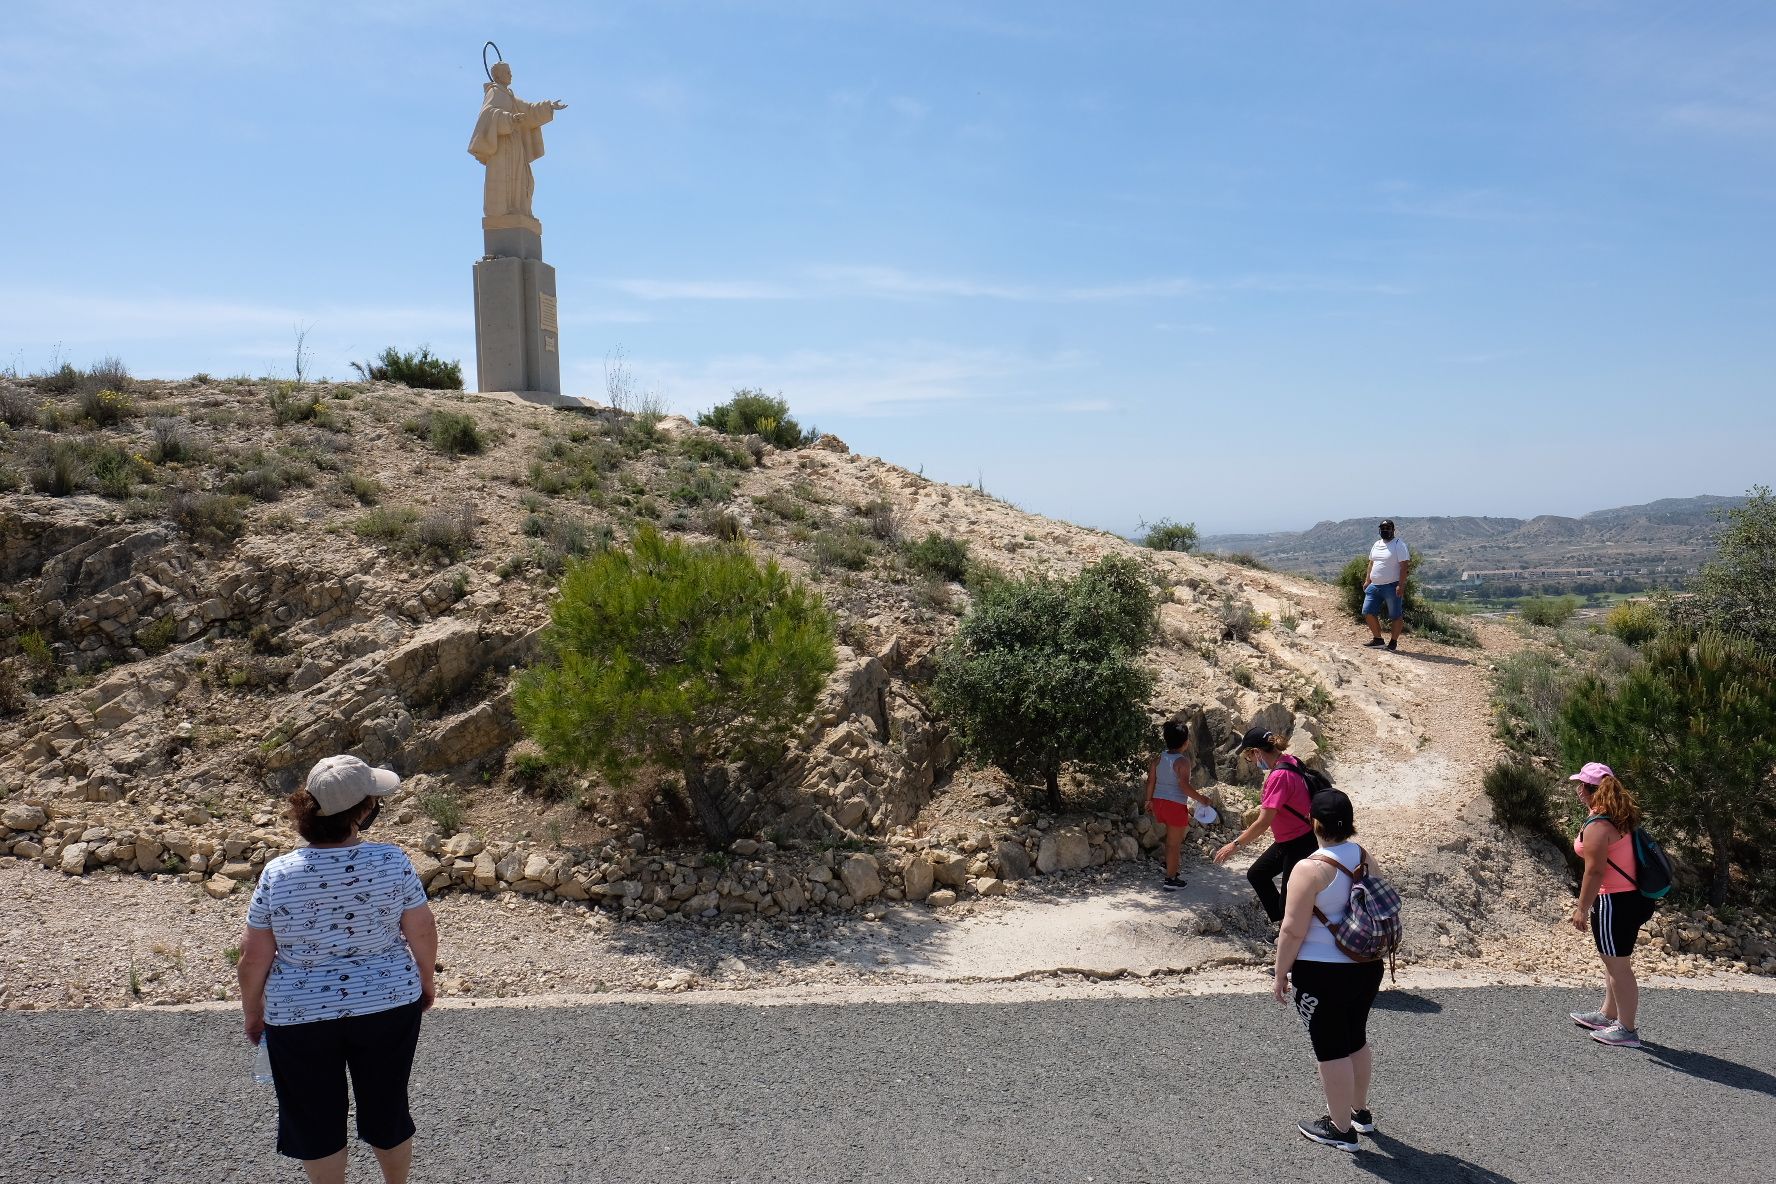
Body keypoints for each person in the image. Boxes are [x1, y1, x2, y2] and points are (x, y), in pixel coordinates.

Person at [238, 755, 439, 1184]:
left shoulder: (279, 873)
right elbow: (421, 929)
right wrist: (425, 979)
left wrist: (253, 1011)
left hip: (299, 1013)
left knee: (314, 1116)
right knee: (387, 1104)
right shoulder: (391, 861)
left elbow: (254, 956)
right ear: (363, 810)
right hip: (387, 1002)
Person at [1274, 789, 1385, 1152]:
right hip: (1366, 965)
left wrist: (1279, 974)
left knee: (1330, 1048)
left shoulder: (1309, 868)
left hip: (1321, 971)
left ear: (1314, 823)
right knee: (1356, 1038)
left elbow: (1292, 929)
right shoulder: (1363, 856)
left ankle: (1340, 1130)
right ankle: (1360, 1113)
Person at [1566, 761, 1655, 1049]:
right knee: (1613, 959)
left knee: (1618, 967)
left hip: (1614, 902)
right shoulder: (1620, 818)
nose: (1578, 790)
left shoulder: (1598, 825)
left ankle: (1627, 1029)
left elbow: (1594, 872)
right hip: (1634, 898)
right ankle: (1608, 1014)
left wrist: (1581, 908)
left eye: (1581, 785)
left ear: (1590, 790)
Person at [1213, 728, 1318, 923]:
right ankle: (1283, 926)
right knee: (1258, 874)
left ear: (1257, 752)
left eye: (1248, 756)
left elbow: (1263, 823)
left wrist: (1233, 845)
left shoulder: (1278, 776)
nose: (1251, 761)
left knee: (1289, 903)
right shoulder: (1289, 760)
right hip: (1292, 839)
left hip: (1299, 843)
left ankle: (1292, 939)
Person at [1145, 719, 1220, 891]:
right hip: (1174, 804)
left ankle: (1169, 866)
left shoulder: (1158, 759)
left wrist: (1148, 801)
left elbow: (1150, 781)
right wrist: (1202, 799)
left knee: (1169, 840)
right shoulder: (1183, 762)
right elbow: (1183, 786)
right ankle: (1171, 879)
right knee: (1174, 843)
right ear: (1186, 742)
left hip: (1158, 803)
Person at [1361, 520, 1411, 651]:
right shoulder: (1376, 544)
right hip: (1375, 585)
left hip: (1391, 586)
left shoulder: (1399, 545)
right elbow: (1371, 563)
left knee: (1395, 615)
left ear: (1393, 530)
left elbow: (1404, 566)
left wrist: (1401, 585)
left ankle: (1393, 642)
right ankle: (1378, 640)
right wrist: (1367, 580)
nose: (1385, 530)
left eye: (1387, 527)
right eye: (1382, 528)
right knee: (1367, 611)